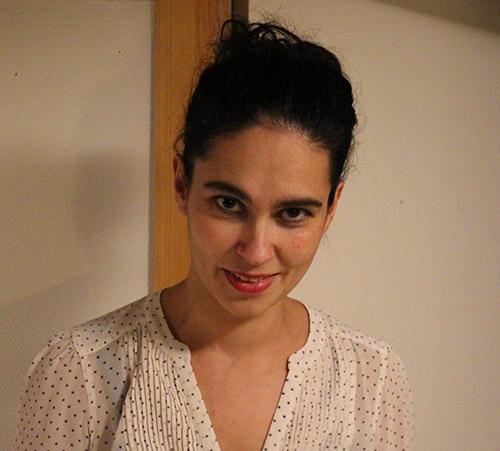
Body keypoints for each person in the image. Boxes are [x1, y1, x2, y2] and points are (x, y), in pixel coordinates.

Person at [14, 20, 413, 450]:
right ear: (182, 184)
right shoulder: (80, 370)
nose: (256, 251)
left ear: (331, 207)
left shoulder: (371, 381)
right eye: (229, 204)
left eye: (293, 213)